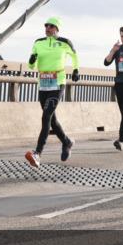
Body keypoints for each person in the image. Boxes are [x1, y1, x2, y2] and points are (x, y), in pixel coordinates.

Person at [24, 17, 79, 167]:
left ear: (57, 29)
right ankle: (66, 142)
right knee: (52, 120)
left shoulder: (64, 42)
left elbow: (74, 55)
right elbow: (30, 66)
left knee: (46, 116)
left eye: (51, 26)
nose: (47, 28)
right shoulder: (38, 43)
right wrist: (32, 60)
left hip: (58, 83)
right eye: (46, 25)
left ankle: (37, 153)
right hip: (43, 84)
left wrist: (76, 70)